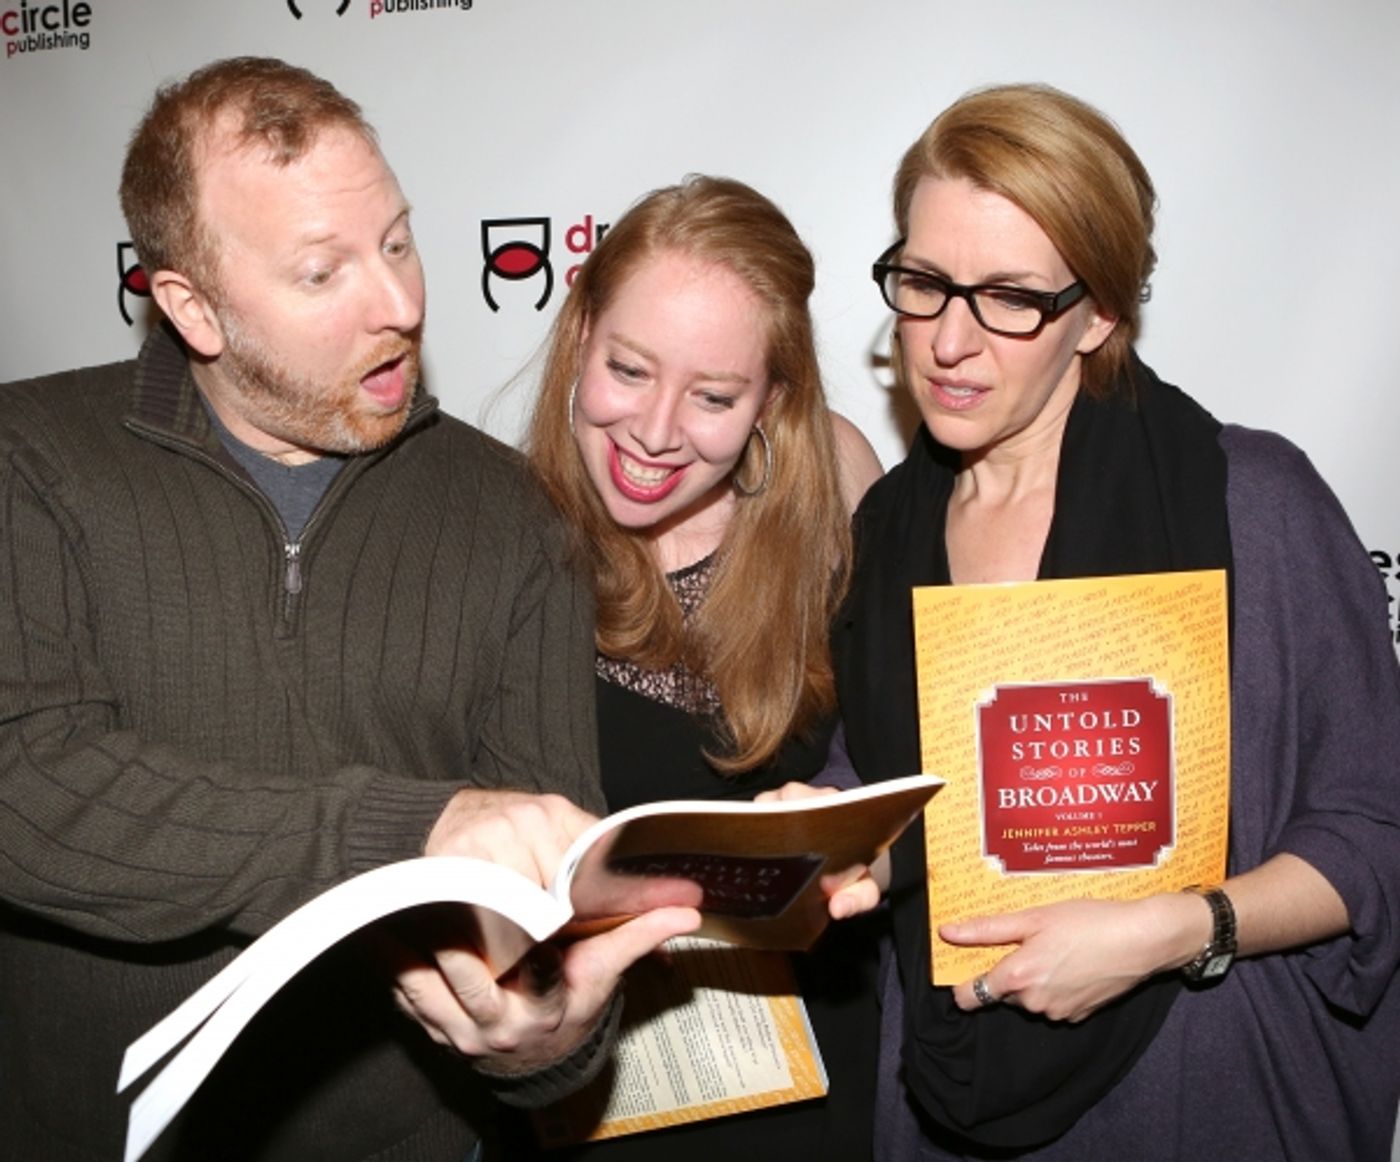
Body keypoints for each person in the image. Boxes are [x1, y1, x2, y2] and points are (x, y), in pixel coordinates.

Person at [0, 56, 701, 1162]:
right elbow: (28, 785)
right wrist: (401, 829)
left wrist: (543, 1042)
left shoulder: (518, 517)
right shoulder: (29, 458)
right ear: (192, 305)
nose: (403, 303)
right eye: (323, 273)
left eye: (396, 242)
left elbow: (551, 911)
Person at [836, 83, 1400, 1159]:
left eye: (1006, 297)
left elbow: (1376, 832)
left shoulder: (1248, 501)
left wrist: (1172, 930)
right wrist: (824, 840)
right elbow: (879, 786)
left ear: (1097, 315)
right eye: (922, 282)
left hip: (1205, 1088)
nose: (947, 340)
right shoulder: (886, 529)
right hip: (944, 1100)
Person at [511, 175, 885, 1159]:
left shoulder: (839, 486)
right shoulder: (504, 530)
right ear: (580, 333)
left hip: (805, 1075)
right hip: (596, 1082)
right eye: (627, 370)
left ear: (773, 398)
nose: (654, 430)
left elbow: (892, 765)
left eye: (713, 396)